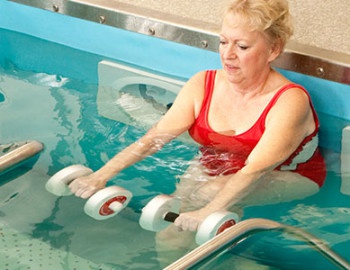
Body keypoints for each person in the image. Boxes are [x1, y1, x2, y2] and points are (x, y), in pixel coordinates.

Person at [69, 0, 326, 252]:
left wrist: (210, 209)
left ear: (273, 50)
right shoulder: (203, 84)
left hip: (294, 175)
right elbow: (155, 137)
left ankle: (230, 253)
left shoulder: (290, 101)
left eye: (243, 46)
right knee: (169, 235)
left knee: (208, 195)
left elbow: (255, 170)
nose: (228, 55)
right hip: (217, 164)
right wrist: (100, 175)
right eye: (224, 41)